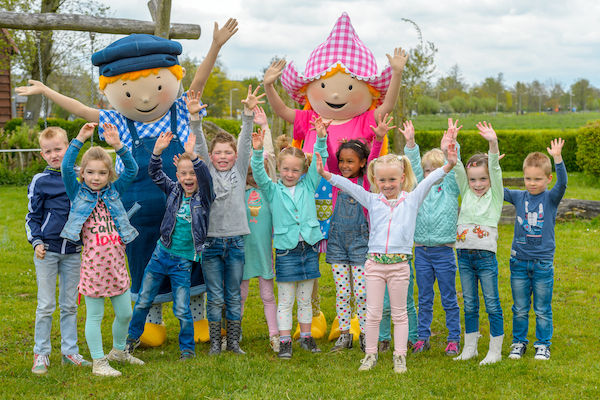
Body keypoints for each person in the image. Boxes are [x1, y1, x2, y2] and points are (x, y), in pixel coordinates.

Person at [16, 20, 238, 346]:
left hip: (185, 206)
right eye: (131, 92)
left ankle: (199, 316)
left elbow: (199, 82)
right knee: (144, 260)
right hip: (139, 210)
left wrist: (216, 45)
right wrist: (47, 91)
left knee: (193, 259)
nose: (145, 99)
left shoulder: (179, 108)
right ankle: (152, 321)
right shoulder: (118, 120)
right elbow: (80, 109)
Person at [317, 136, 458, 373]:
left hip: (400, 266)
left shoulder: (412, 200)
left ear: (402, 178)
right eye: (382, 180)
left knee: (400, 313)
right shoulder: (372, 200)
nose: (388, 184)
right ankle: (370, 354)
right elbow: (348, 185)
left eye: (392, 179)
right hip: (373, 265)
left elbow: (431, 179)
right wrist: (325, 174)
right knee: (373, 313)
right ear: (375, 180)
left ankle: (399, 356)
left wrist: (450, 164)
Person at [126, 92, 214, 361]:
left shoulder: (204, 197)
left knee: (182, 309)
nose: (188, 178)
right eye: (183, 174)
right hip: (160, 255)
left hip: (183, 262)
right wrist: (157, 152)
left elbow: (206, 179)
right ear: (177, 176)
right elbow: (154, 173)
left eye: (192, 174)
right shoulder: (174, 189)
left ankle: (186, 350)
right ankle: (129, 341)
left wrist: (192, 157)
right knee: (143, 299)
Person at [60, 122, 143, 377]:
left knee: (125, 312)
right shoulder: (78, 193)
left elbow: (132, 168)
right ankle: (98, 361)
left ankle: (118, 351)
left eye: (102, 173)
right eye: (91, 173)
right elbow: (65, 166)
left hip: (117, 263)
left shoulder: (115, 192)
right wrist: (80, 139)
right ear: (82, 173)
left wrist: (118, 145)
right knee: (94, 316)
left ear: (109, 175)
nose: (96, 178)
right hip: (94, 267)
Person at [251, 117, 329, 359]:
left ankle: (306, 337)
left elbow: (320, 162)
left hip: (309, 248)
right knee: (285, 300)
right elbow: (259, 175)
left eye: (295, 170)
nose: (290, 173)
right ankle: (285, 341)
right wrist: (256, 154)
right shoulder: (273, 190)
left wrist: (321, 138)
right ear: (280, 169)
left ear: (303, 170)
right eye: (285, 169)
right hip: (286, 250)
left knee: (306, 299)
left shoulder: (308, 185)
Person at [193, 85, 264, 355]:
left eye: (228, 153)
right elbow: (199, 142)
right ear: (211, 157)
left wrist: (247, 114)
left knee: (233, 295)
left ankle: (233, 342)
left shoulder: (239, 166)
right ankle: (215, 343)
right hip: (211, 243)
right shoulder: (206, 171)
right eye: (218, 153)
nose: (223, 157)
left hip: (235, 242)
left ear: (235, 156)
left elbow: (245, 140)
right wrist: (195, 119)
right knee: (216, 295)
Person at [26, 127, 90, 375]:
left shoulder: (79, 177)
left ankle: (69, 351)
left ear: (68, 148)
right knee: (45, 305)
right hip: (47, 251)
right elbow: (33, 216)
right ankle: (41, 353)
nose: (54, 155)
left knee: (70, 305)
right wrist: (37, 242)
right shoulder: (39, 181)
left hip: (74, 251)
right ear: (42, 154)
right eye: (48, 151)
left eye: (58, 149)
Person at [399, 119, 462, 356]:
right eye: (428, 170)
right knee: (424, 298)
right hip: (422, 251)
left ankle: (453, 338)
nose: (431, 173)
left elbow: (455, 167)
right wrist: (411, 143)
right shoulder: (418, 190)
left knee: (449, 298)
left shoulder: (450, 187)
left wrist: (450, 147)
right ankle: (422, 337)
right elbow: (413, 166)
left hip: (444, 251)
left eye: (437, 169)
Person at [327, 113, 389, 352]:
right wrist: (324, 137)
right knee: (342, 293)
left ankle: (364, 333)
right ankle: (345, 334)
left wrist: (379, 138)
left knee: (362, 293)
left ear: (362, 163)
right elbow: (331, 161)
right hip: (337, 244)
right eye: (342, 161)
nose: (344, 166)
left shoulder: (366, 184)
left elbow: (374, 157)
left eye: (350, 162)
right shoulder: (336, 180)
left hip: (361, 245)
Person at [504, 138, 566, 361]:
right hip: (519, 262)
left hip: (542, 264)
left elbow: (563, 185)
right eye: (528, 178)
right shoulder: (519, 196)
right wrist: (492, 161)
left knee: (542, 308)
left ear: (548, 179)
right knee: (519, 307)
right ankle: (519, 342)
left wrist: (557, 159)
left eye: (537, 179)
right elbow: (494, 190)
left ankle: (543, 344)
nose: (532, 183)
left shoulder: (550, 198)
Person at [453, 122, 505, 365]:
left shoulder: (495, 197)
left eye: (483, 179)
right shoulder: (466, 190)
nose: (477, 184)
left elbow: (494, 167)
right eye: (473, 179)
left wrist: (492, 143)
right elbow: (457, 169)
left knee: (492, 303)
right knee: (470, 303)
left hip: (485, 258)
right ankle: (470, 347)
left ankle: (495, 350)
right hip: (463, 257)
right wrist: (452, 143)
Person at [238, 106, 280, 352]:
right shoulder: (238, 192)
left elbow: (269, 157)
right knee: (240, 295)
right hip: (242, 253)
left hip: (265, 252)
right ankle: (235, 332)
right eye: (250, 172)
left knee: (268, 295)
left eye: (259, 172)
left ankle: (274, 333)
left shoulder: (269, 189)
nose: (254, 176)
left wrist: (265, 128)